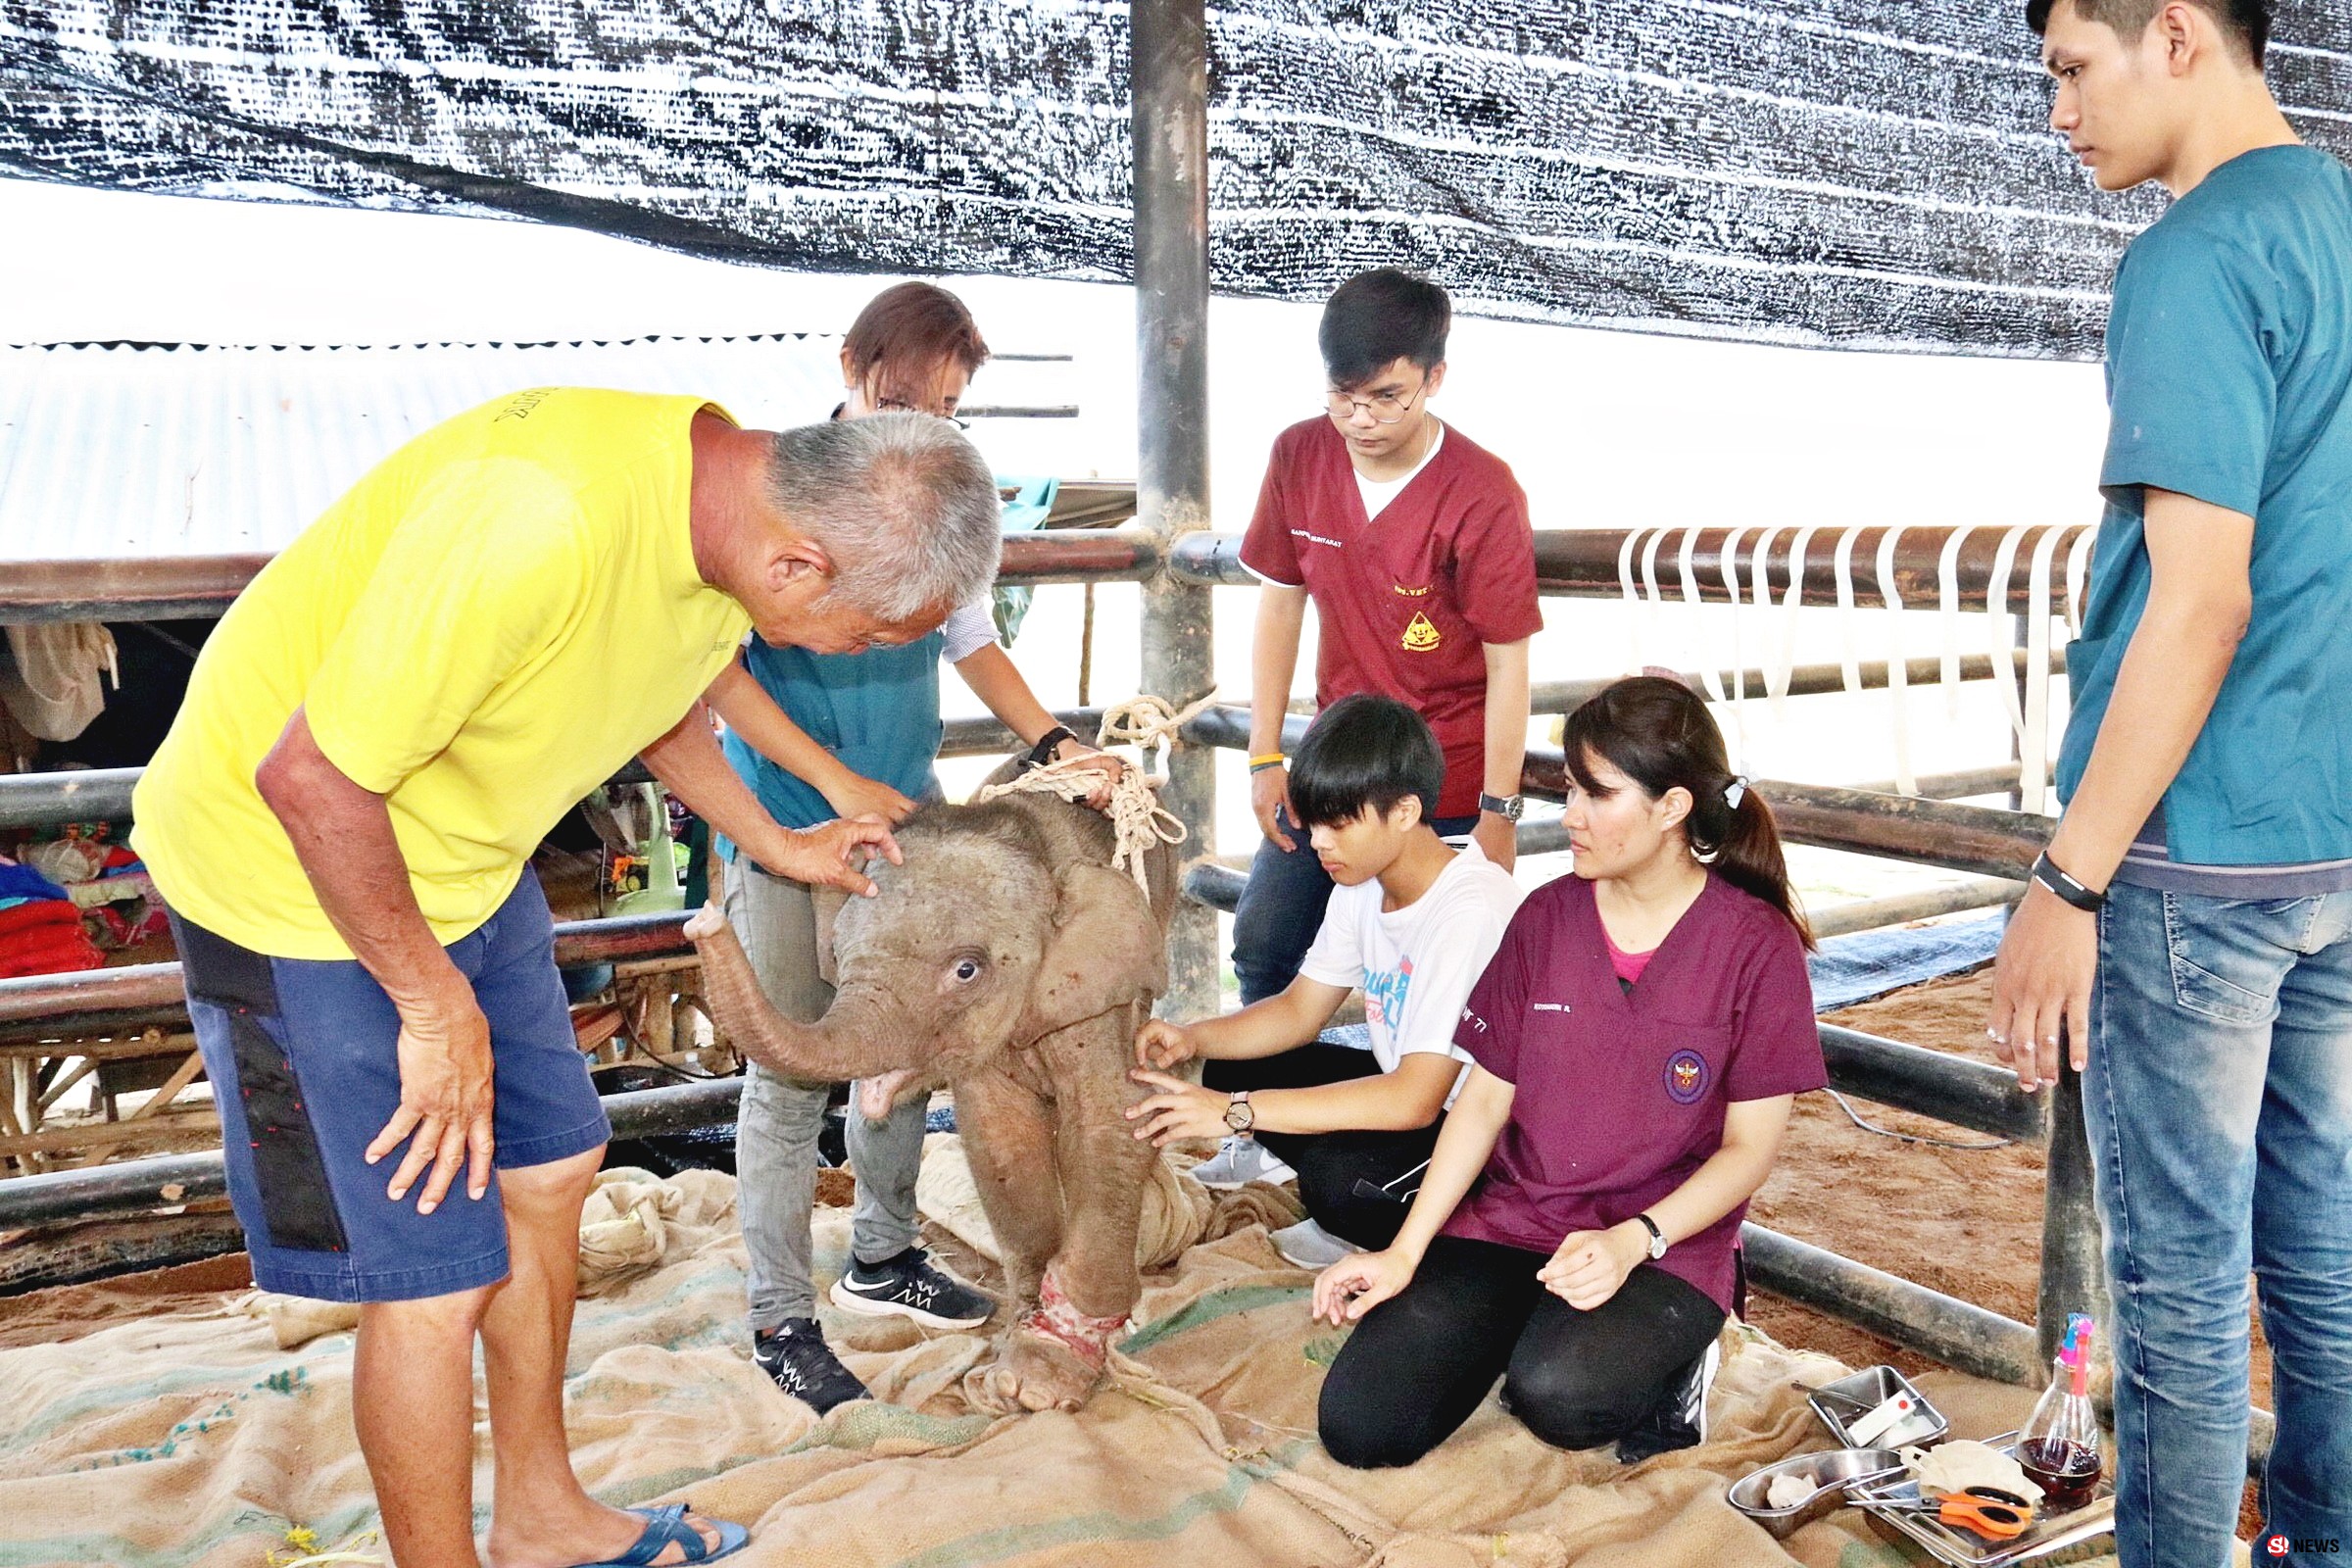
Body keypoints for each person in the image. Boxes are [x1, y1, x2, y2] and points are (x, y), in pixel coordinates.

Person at [132, 390, 1001, 1568]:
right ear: (800, 566)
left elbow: (662, 690)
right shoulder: (539, 521)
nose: (861, 658)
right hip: (296, 876)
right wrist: (433, 1009)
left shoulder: (728, 505)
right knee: (435, 1270)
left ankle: (539, 1512)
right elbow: (312, 781)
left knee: (554, 1168)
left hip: (468, 862)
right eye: (865, 635)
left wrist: (779, 835)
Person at [1990, 4, 2352, 1561]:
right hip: (2333, 840)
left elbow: (2198, 601)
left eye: (2075, 67)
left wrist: (2067, 879)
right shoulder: (2337, 218)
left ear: (2180, 38)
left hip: (2194, 855)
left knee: (2183, 1286)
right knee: (2325, 1252)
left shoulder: (2195, 257)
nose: (2059, 110)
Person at [702, 281, 1124, 1413]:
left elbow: (975, 639)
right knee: (795, 1059)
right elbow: (713, 667)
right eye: (903, 396)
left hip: (910, 811)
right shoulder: (788, 498)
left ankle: (883, 1253)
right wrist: (826, 791)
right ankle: (780, 1313)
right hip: (792, 818)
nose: (925, 423)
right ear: (850, 365)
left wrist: (1054, 742)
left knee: (917, 1038)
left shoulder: (943, 499)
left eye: (947, 408)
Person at [1310, 676, 1823, 1467]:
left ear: (1673, 807)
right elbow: (1482, 1105)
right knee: (1361, 1427)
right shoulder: (1546, 917)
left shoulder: (1757, 946)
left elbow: (1748, 1152)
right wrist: (1405, 1252)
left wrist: (1633, 1241)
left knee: (1563, 1398)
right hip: (1517, 1219)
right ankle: (1522, 1323)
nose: (1570, 815)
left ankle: (1682, 1350)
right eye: (1571, 790)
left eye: (1597, 793)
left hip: (1661, 1240)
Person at [1203, 267, 1542, 1189]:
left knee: (1452, 993)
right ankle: (1262, 1140)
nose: (1361, 418)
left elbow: (1510, 658)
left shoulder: (1482, 490)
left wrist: (1501, 809)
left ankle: (1449, 1171)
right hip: (1334, 764)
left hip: (1449, 779)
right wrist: (1267, 753)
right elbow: (1280, 606)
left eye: (1386, 396)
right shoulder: (1297, 455)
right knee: (1268, 939)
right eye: (1343, 396)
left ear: (1435, 378)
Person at [1123, 695, 1523, 1269]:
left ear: (1406, 812)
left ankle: (1375, 1228)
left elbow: (1414, 1100)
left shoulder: (1471, 910)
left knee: (1344, 1184)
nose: (1319, 844)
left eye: (1338, 825)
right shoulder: (1363, 882)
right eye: (1314, 825)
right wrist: (1191, 1037)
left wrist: (1235, 1112)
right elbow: (1298, 1011)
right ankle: (1334, 1195)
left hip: (1488, 1141)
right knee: (1235, 1059)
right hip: (1415, 1095)